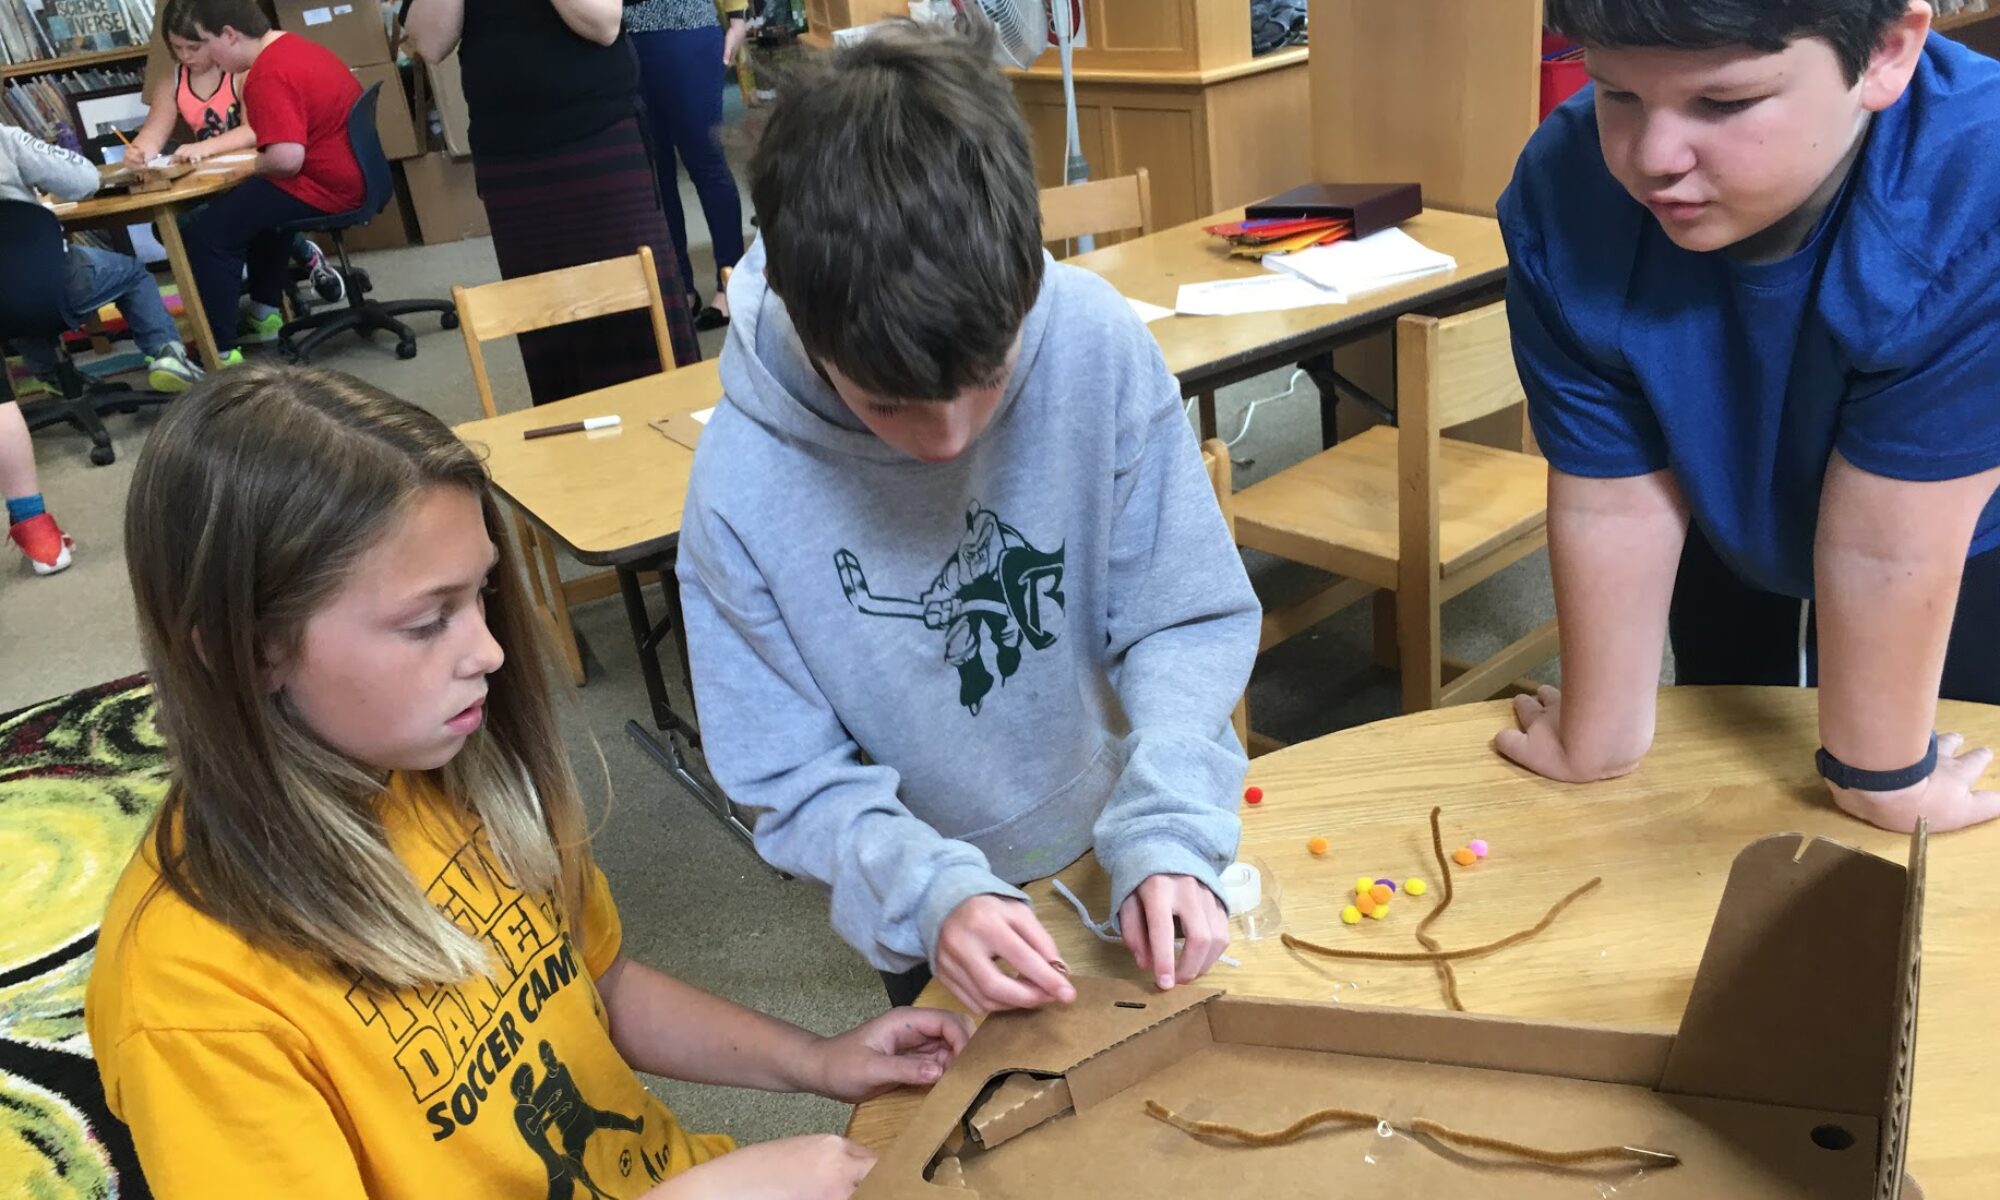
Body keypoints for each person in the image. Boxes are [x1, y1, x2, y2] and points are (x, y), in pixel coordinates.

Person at [86, 363, 971, 1198]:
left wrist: (819, 1062)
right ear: (251, 648)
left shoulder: (441, 775)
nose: (493, 650)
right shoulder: (190, 998)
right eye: (429, 622)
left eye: (481, 597)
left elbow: (598, 987)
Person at [677, 22, 1261, 1015]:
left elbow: (1180, 614)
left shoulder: (1091, 339)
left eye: (987, 382)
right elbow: (788, 775)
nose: (946, 439)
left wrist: (1168, 821)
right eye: (885, 404)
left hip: (1129, 816)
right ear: (806, 323)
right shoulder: (738, 492)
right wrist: (929, 894)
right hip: (928, 896)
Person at [1495, 0, 2000, 833]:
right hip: (1719, 481)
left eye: (1723, 104)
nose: (1652, 158)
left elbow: (1890, 543)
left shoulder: (1974, 187)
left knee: (1933, 771)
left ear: (1885, 51)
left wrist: (1885, 777)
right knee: (1725, 721)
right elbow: (1611, 495)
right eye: (1614, 91)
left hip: (1952, 532)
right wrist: (1599, 732)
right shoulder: (1565, 186)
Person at [402, 0, 701, 406]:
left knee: (638, 310)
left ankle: (673, 429)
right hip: (509, 157)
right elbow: (430, 42)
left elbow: (602, 24)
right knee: (547, 321)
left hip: (599, 136)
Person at [165, 0, 365, 366]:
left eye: (207, 43)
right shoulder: (300, 48)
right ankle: (264, 314)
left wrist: (245, 167)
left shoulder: (267, 73)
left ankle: (220, 352)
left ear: (229, 34)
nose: (207, 55)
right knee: (254, 213)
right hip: (349, 176)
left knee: (205, 231)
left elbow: (286, 161)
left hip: (321, 186)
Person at [125, 18, 346, 307]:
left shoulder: (242, 73)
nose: (185, 56)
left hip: (255, 173)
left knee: (215, 223)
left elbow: (253, 130)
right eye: (176, 48)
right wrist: (139, 152)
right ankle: (298, 256)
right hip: (209, 178)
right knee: (172, 226)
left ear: (215, 40)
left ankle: (274, 274)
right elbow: (153, 133)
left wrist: (205, 147)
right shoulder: (173, 80)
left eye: (193, 47)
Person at [0, 124, 202, 404]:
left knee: (10, 295)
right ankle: (167, 353)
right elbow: (84, 181)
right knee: (132, 274)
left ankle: (54, 377)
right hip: (55, 282)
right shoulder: (6, 139)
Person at [624, 0, 750, 328]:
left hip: (687, 27)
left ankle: (731, 282)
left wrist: (737, 17)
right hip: (621, 35)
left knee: (706, 159)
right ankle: (679, 284)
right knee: (654, 171)